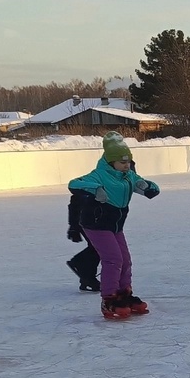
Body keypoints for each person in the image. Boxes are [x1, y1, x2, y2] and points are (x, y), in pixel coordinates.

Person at [67, 132, 160, 320]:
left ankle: (124, 294)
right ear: (111, 162)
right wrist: (95, 189)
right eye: (122, 162)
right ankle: (109, 298)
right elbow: (74, 184)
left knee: (125, 259)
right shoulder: (99, 175)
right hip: (95, 224)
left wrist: (146, 185)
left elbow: (153, 190)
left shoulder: (128, 176)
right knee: (113, 259)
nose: (127, 165)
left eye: (128, 162)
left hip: (115, 225)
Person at [66, 190, 101, 291]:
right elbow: (74, 205)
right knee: (98, 247)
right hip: (88, 222)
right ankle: (84, 272)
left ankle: (87, 277)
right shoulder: (89, 188)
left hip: (95, 221)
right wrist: (73, 226)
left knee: (96, 247)